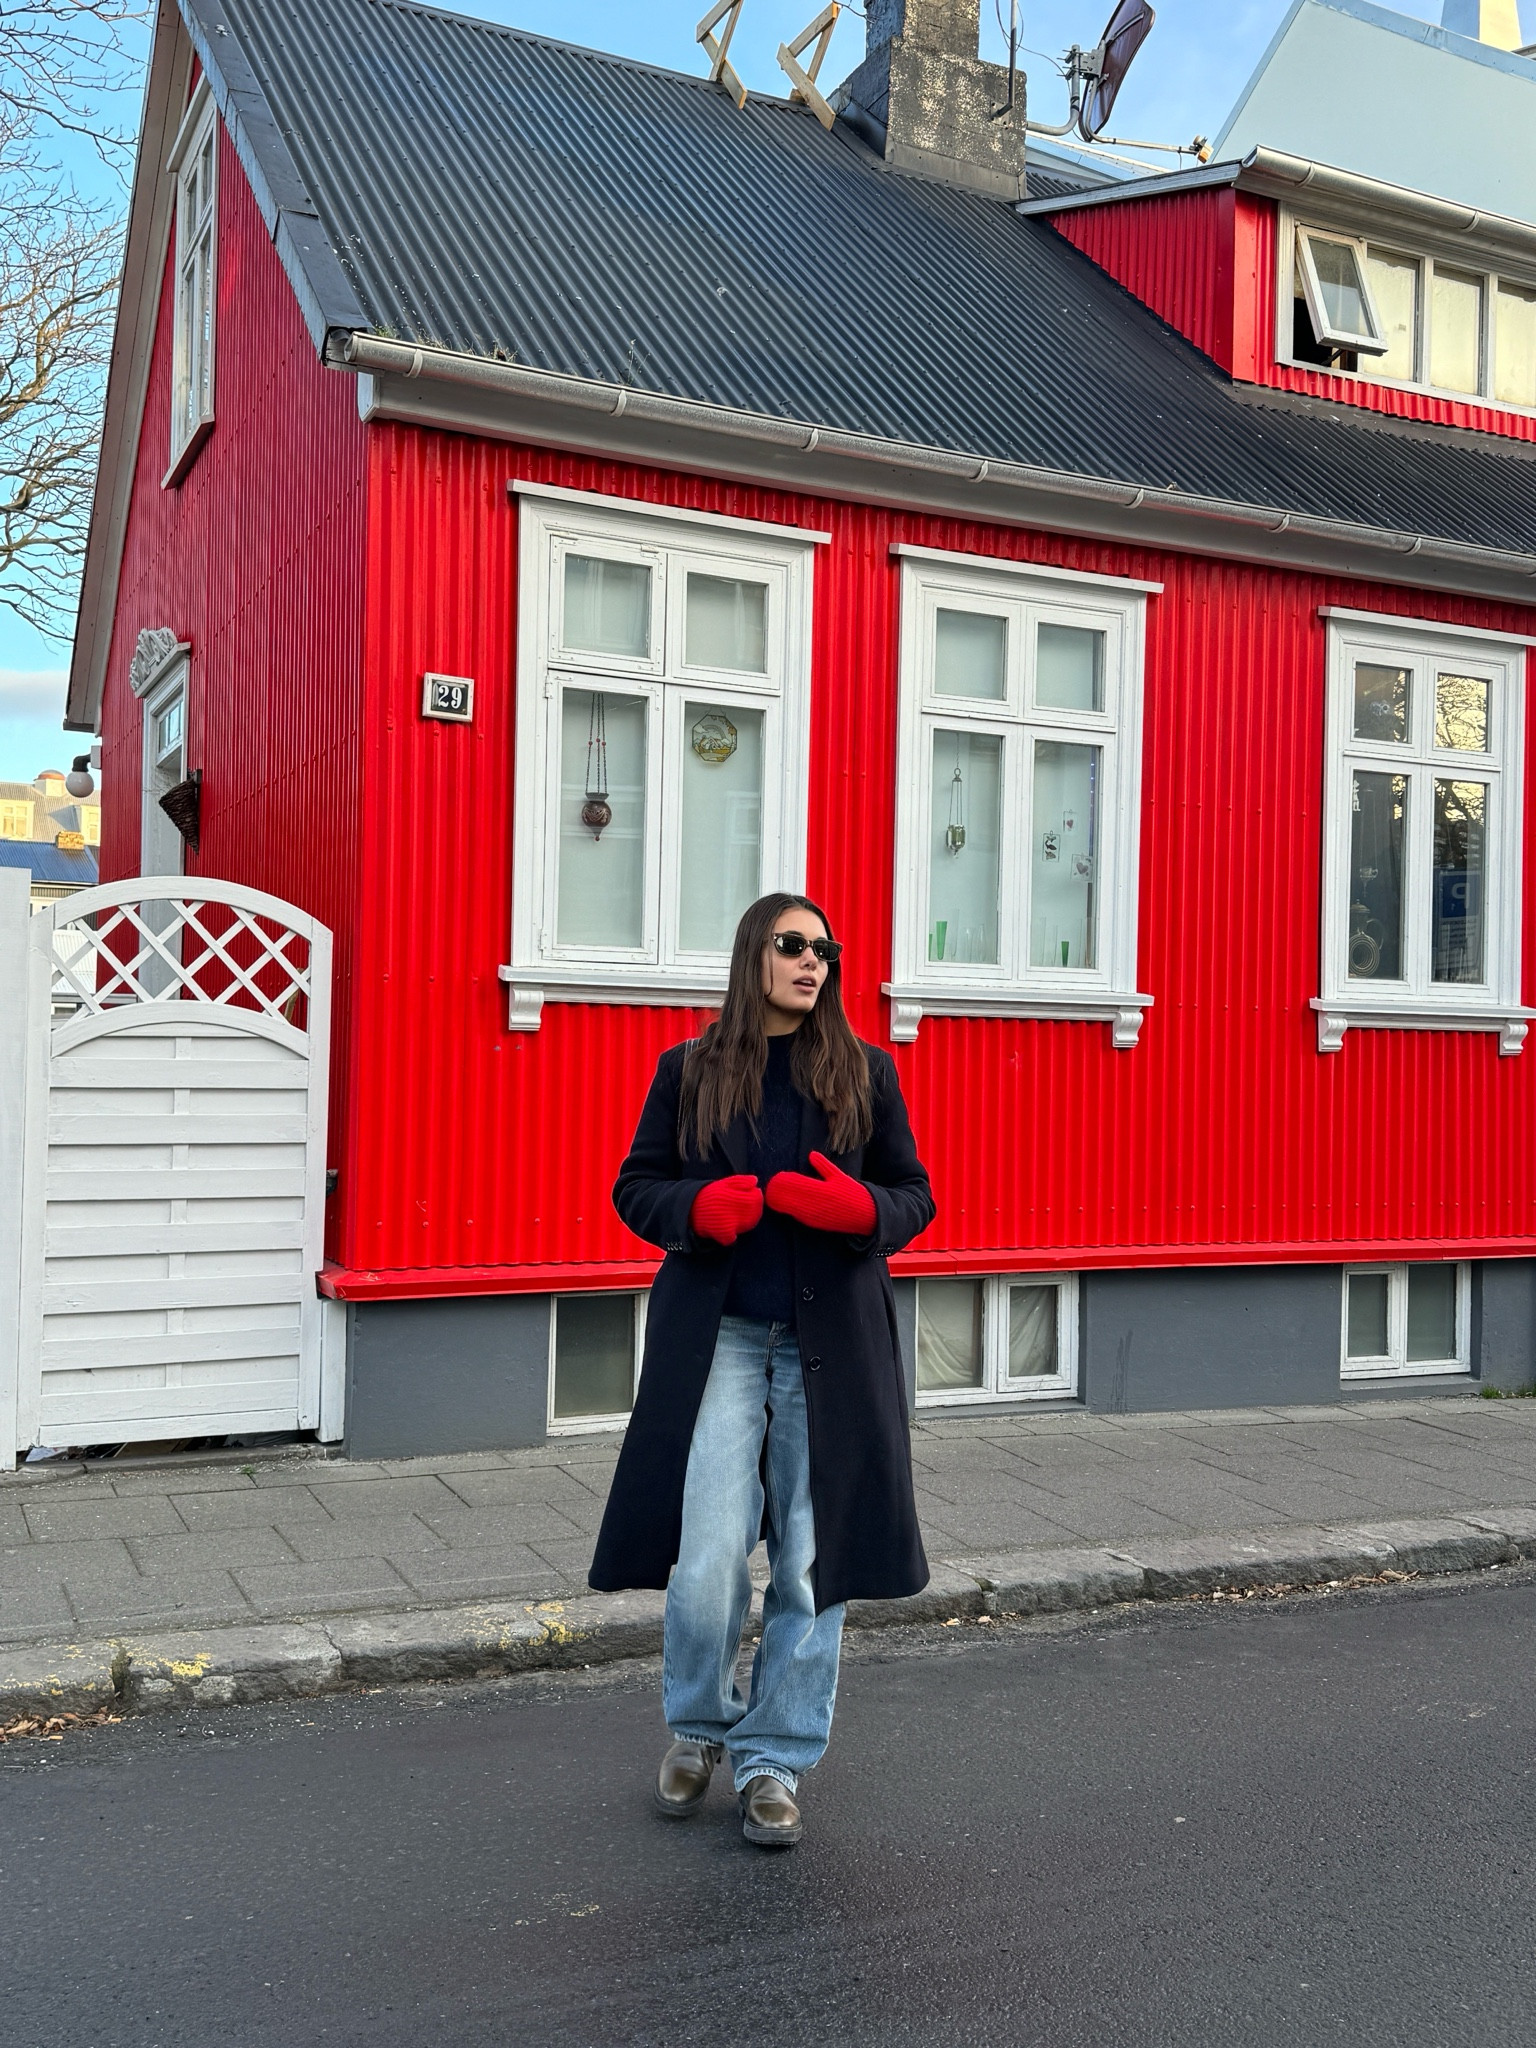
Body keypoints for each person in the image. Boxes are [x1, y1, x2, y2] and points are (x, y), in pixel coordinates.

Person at [589, 892, 936, 1850]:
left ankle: (775, 1756)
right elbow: (636, 1185)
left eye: (825, 948)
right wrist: (693, 1211)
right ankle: (698, 1726)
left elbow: (914, 1200)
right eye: (793, 945)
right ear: (753, 955)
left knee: (810, 1563)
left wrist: (859, 1213)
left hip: (832, 1354)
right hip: (723, 1340)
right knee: (707, 1559)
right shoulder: (690, 1072)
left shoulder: (865, 1073)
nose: (812, 962)